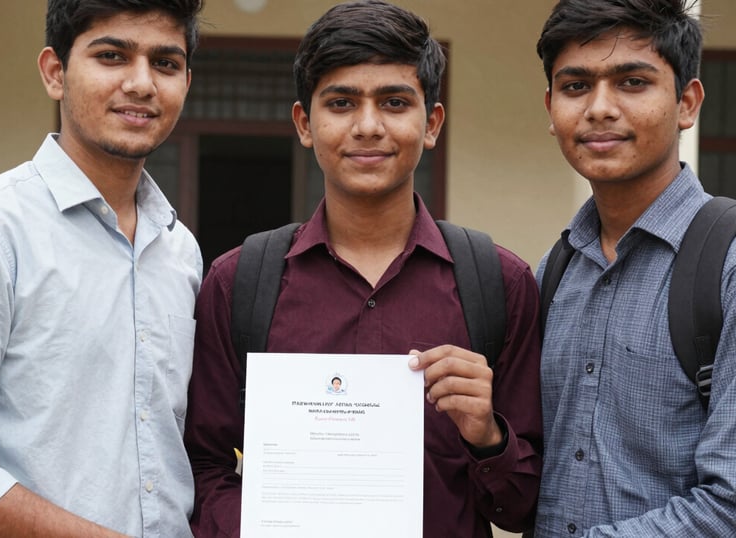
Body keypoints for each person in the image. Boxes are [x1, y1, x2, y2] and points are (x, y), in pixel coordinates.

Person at [184, 1, 543, 536]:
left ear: (432, 124)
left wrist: (486, 435)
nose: (369, 126)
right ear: (305, 123)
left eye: (395, 102)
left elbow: (522, 505)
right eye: (342, 102)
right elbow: (204, 467)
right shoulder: (240, 283)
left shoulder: (498, 284)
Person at [0, 0, 204, 536]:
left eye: (165, 64)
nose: (142, 83)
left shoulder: (180, 251)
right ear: (55, 72)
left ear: (186, 82)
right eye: (112, 56)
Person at [534, 0, 736, 536]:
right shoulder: (552, 274)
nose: (599, 108)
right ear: (551, 108)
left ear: (687, 102)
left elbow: (730, 505)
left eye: (632, 82)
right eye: (576, 86)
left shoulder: (728, 267)